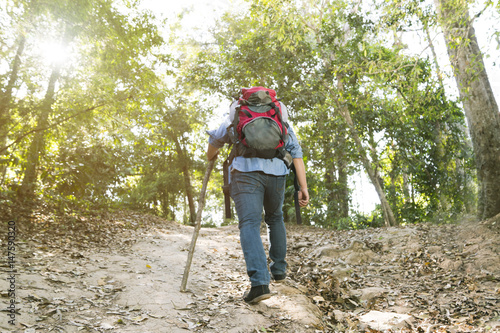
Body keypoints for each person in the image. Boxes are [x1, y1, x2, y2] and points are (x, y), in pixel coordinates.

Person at [206, 87, 309, 304]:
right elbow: (295, 151)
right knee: (275, 218)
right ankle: (279, 271)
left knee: (250, 223)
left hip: (245, 173)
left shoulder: (237, 111)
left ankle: (260, 284)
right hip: (277, 173)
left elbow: (215, 139)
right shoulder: (278, 113)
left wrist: (211, 156)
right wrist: (303, 186)